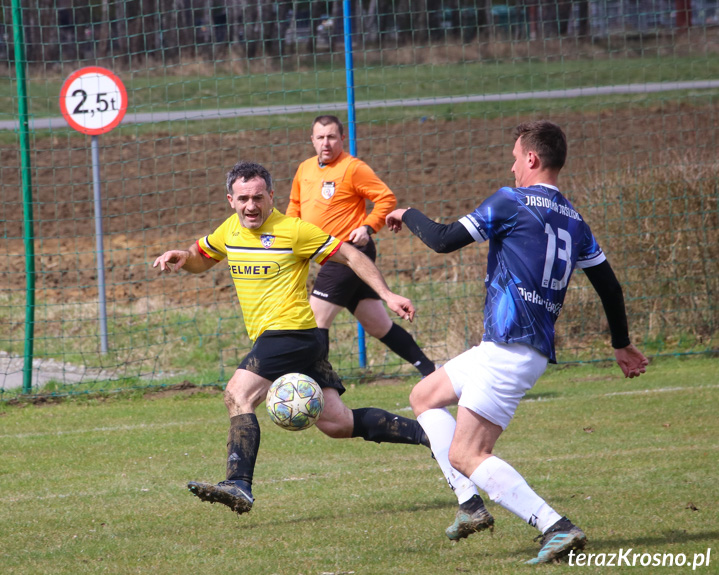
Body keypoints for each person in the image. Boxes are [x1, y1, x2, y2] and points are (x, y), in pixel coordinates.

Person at [385, 121, 649, 564]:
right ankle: (470, 505)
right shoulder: (575, 219)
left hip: (510, 349)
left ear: (532, 158)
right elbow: (610, 285)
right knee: (424, 396)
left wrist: (406, 213)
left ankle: (554, 525)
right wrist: (620, 342)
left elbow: (445, 239)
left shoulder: (512, 201)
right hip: (515, 347)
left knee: (468, 453)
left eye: (514, 157)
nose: (510, 167)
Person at [153, 161, 429, 515]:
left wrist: (387, 295)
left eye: (257, 197)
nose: (250, 206)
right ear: (230, 200)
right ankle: (430, 435)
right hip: (294, 339)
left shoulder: (294, 230)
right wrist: (182, 257)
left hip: (290, 333)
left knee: (237, 395)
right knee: (337, 423)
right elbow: (200, 259)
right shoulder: (229, 231)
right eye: (242, 199)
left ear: (272, 196)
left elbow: (350, 254)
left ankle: (238, 483)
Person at [286, 115, 436, 377]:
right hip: (328, 256)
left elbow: (386, 198)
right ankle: (430, 370)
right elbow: (295, 207)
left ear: (342, 138)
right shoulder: (304, 169)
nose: (326, 143)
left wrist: (367, 227)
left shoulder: (353, 168)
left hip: (349, 253)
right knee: (378, 325)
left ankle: (320, 385)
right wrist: (287, 242)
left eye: (332, 137)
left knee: (316, 319)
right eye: (320, 137)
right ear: (312, 140)